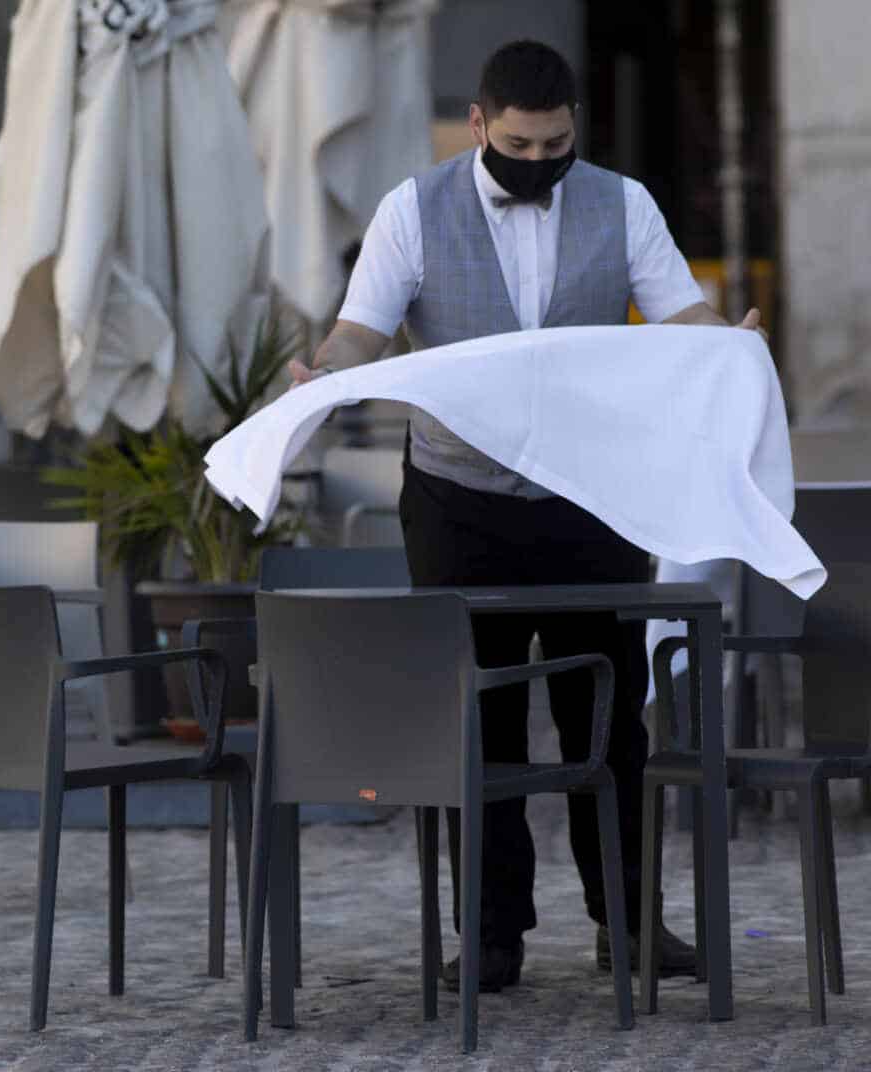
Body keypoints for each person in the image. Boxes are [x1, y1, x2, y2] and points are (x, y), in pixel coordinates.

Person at [290, 40, 758, 993]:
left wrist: (731, 348)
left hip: (594, 496)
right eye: (518, 143)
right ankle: (492, 937)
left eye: (553, 145)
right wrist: (323, 370)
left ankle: (628, 923)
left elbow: (680, 317)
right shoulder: (411, 212)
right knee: (480, 717)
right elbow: (362, 329)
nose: (538, 161)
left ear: (573, 127)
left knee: (610, 715)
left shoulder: (624, 204)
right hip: (459, 503)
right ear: (477, 124)